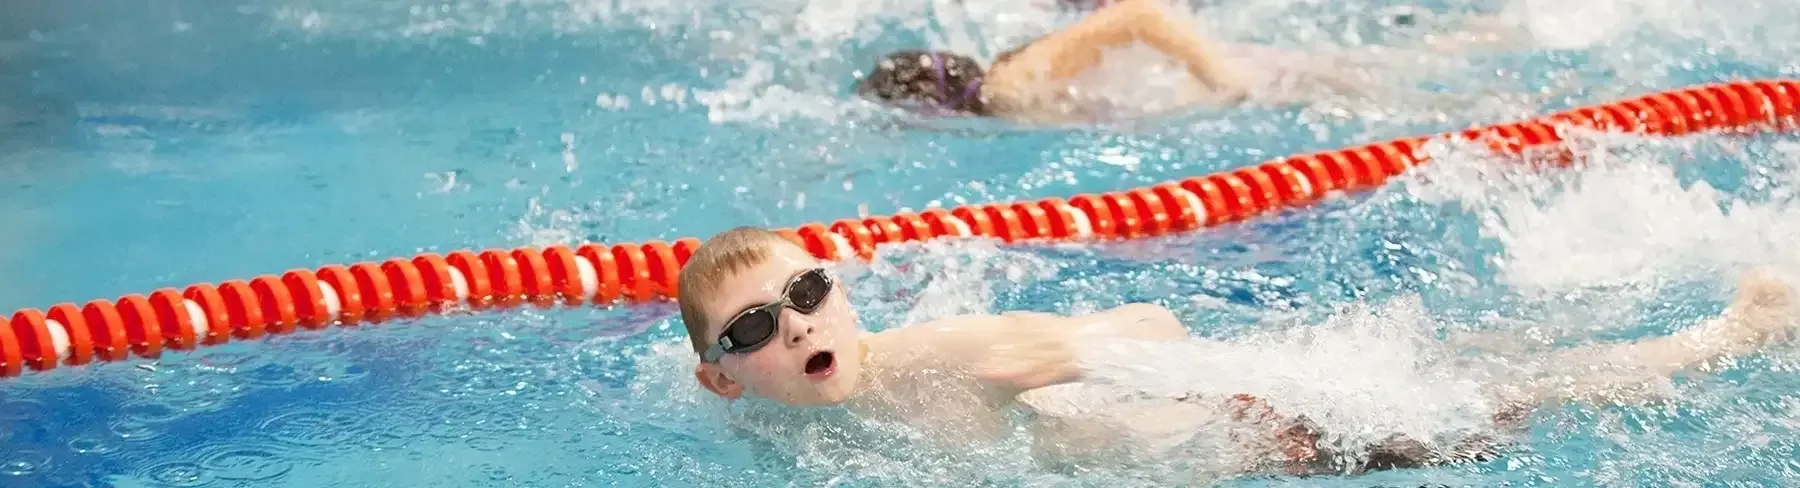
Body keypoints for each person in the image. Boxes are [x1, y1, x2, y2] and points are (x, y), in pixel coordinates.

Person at [676, 226, 1800, 478]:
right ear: (720, 375)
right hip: (1206, 432)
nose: (801, 325)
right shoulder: (755, 430)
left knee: (1495, 402)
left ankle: (1725, 335)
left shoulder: (945, 350)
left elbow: (1144, 333)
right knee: (1483, 366)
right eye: (756, 328)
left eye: (810, 291)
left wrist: (1077, 354)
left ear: (847, 293)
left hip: (1255, 426)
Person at [851, 0, 1522, 124]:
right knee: (1384, 73)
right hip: (1205, 82)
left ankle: (1508, 38)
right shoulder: (1007, 91)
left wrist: (1223, 81)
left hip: (1231, 72)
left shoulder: (1009, 87)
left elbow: (1139, 13)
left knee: (1392, 86)